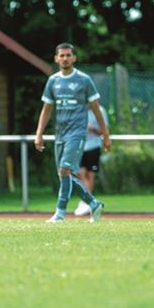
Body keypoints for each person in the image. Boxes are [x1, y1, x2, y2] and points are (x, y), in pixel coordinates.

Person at [34, 43, 111, 223]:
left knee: (64, 170)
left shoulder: (84, 80)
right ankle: (93, 204)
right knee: (64, 175)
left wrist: (106, 135)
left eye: (68, 55)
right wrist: (39, 133)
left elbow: (96, 110)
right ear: (56, 59)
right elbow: (46, 109)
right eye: (62, 55)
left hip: (77, 135)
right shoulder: (53, 81)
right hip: (60, 134)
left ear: (74, 58)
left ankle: (60, 213)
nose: (65, 58)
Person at [74, 104, 109, 217]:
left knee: (90, 174)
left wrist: (92, 129)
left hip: (93, 146)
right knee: (80, 173)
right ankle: (88, 200)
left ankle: (87, 201)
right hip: (80, 146)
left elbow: (105, 131)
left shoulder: (100, 110)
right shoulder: (79, 109)